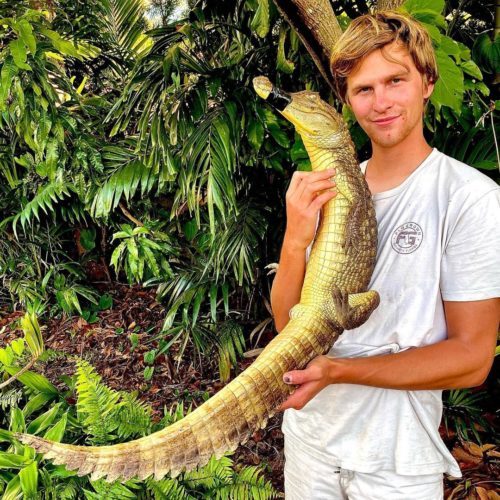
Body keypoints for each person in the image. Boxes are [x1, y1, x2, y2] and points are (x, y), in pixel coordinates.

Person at [270, 11, 500, 500]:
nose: (381, 102)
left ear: (427, 82)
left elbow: (472, 359)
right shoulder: (330, 187)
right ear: (348, 101)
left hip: (396, 462)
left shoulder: (468, 197)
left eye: (396, 80)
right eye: (363, 89)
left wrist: (340, 371)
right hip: (310, 441)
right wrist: (294, 239)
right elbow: (288, 326)